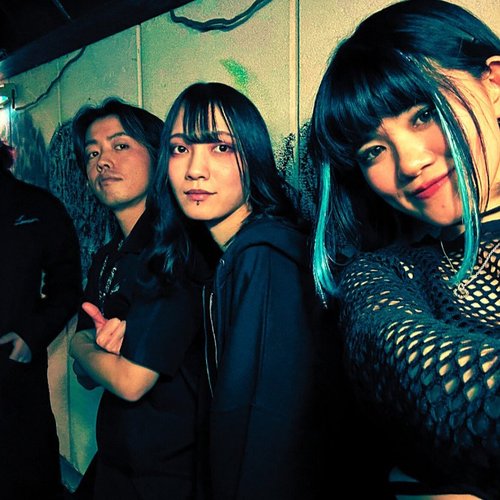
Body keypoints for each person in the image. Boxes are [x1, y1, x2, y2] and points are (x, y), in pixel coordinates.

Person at [309, 0, 500, 498]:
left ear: (495, 84)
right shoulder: (381, 277)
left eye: (423, 115)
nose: (410, 162)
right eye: (373, 150)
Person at [150, 81, 333, 499]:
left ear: (253, 156)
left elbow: (268, 427)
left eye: (221, 147)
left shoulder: (263, 255)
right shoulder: (233, 254)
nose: (195, 169)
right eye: (179, 148)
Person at [70, 96, 212, 500]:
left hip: (171, 471)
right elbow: (85, 377)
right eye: (92, 153)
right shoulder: (107, 257)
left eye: (120, 145)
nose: (103, 161)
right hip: (117, 459)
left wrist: (80, 346)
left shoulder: (173, 250)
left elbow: (130, 381)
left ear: (158, 156)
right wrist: (94, 353)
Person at [0, 140, 82, 499]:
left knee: (26, 476)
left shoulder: (37, 206)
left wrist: (31, 336)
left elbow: (68, 285)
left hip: (13, 376)